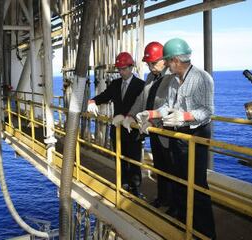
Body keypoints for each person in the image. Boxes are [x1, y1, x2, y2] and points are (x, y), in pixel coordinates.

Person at [136, 38, 216, 239]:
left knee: (196, 184)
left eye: (167, 61)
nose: (166, 65)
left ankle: (205, 232)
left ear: (175, 60)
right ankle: (183, 222)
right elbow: (168, 107)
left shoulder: (202, 78)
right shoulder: (172, 80)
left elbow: (207, 111)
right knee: (179, 180)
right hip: (177, 135)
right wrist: (151, 114)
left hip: (195, 135)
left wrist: (185, 116)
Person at [122, 42, 175, 208]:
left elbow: (170, 106)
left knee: (172, 170)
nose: (150, 67)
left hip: (168, 132)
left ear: (164, 60)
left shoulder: (173, 77)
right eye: (148, 64)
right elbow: (142, 99)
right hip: (153, 131)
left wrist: (152, 120)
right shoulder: (151, 77)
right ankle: (162, 198)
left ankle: (176, 206)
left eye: (153, 63)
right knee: (159, 166)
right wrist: (130, 115)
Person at [87, 52, 144, 196]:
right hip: (118, 128)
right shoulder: (116, 84)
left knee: (134, 160)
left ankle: (135, 188)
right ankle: (123, 183)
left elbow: (143, 106)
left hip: (133, 129)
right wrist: (92, 101)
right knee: (120, 158)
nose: (121, 72)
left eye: (124, 68)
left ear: (131, 67)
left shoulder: (141, 86)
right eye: (119, 69)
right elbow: (105, 96)